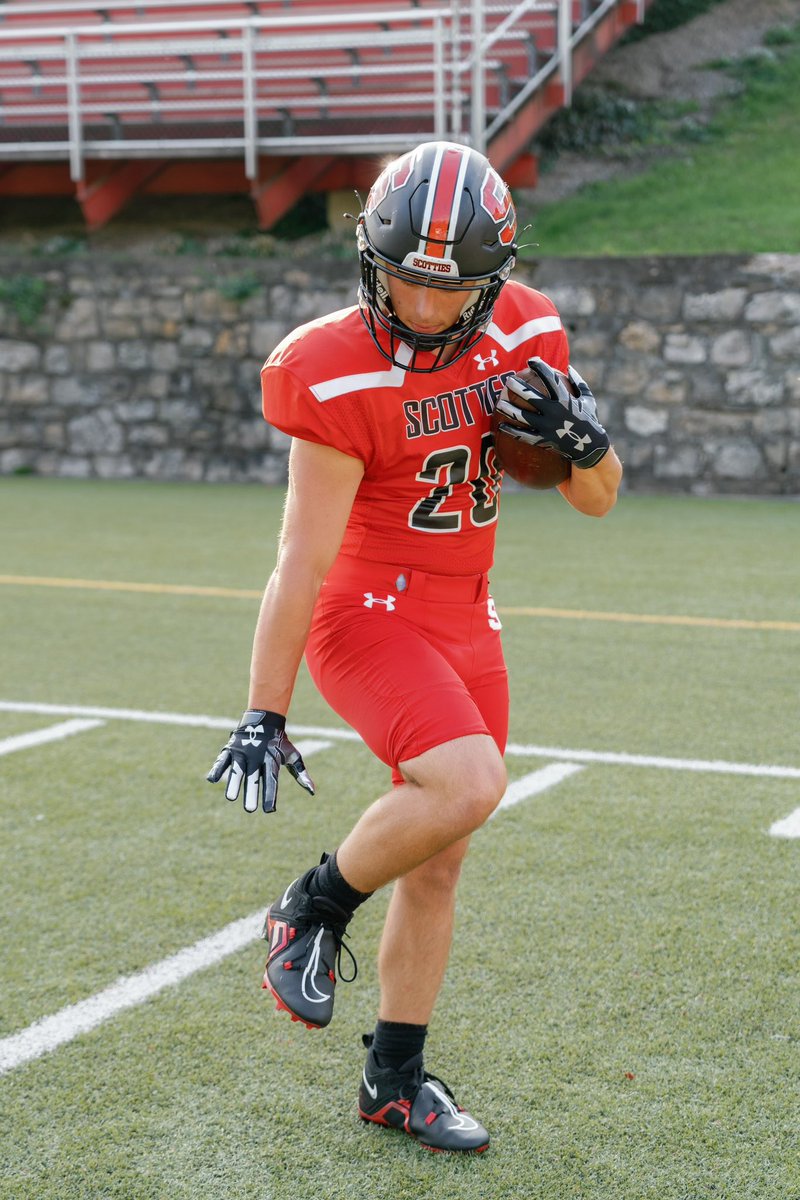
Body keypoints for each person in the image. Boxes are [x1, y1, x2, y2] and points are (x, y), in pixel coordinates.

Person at [207, 140, 622, 1154]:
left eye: (450, 288)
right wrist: (265, 709)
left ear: (493, 280)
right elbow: (299, 560)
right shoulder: (329, 365)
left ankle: (392, 1081)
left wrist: (585, 447)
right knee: (470, 781)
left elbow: (598, 501)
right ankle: (307, 908)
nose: (426, 308)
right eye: (405, 279)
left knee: (441, 857)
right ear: (369, 255)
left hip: (465, 615)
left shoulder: (524, 328)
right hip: (366, 613)